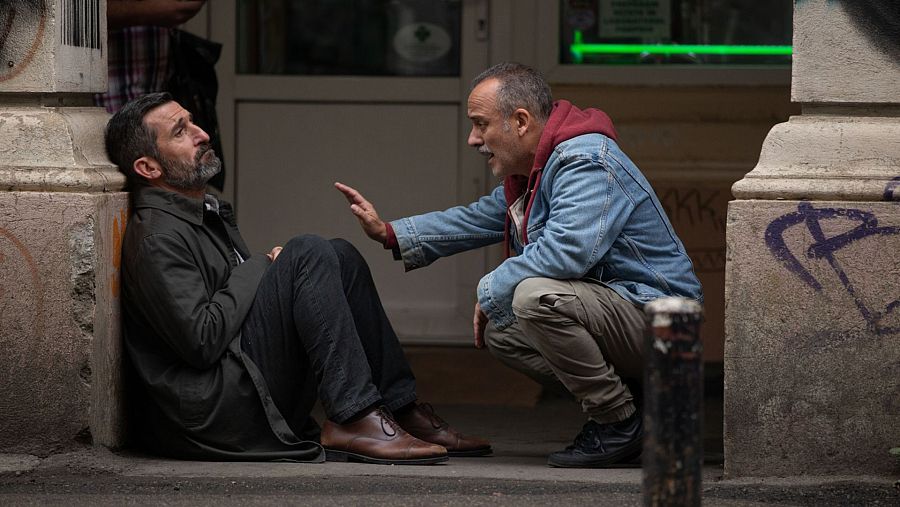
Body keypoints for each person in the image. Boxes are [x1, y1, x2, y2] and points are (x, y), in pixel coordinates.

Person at [335, 62, 703, 468]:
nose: (473, 139)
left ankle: (617, 421)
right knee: (504, 333)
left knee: (533, 296)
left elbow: (567, 252)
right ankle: (643, 407)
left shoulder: (586, 161)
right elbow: (475, 218)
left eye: (480, 124)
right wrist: (390, 231)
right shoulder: (535, 171)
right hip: (628, 316)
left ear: (521, 121)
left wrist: (490, 288)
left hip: (664, 324)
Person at [105, 92, 491, 463]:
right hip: (212, 414)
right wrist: (260, 265)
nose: (201, 133)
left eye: (192, 122)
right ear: (148, 168)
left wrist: (267, 268)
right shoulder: (158, 236)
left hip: (240, 385)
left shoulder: (198, 213)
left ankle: (397, 408)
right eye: (180, 131)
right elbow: (201, 340)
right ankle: (353, 417)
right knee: (306, 251)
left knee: (340, 254)